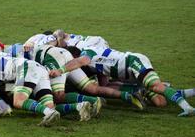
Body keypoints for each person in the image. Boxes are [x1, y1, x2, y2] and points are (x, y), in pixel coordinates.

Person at [50, 46, 195, 117]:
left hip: (133, 63)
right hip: (129, 75)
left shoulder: (87, 53)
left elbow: (82, 61)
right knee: (160, 102)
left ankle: (187, 107)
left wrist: (61, 70)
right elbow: (104, 84)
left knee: (155, 86)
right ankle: (185, 92)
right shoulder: (95, 65)